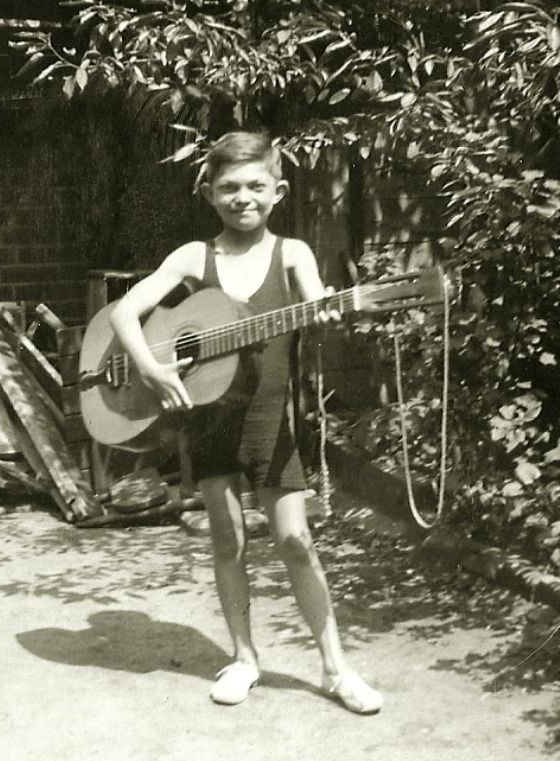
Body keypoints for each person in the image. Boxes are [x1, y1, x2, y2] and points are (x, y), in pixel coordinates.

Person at [109, 131, 383, 714]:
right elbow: (126, 313)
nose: (242, 197)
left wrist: (331, 309)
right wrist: (151, 371)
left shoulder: (292, 254)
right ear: (209, 193)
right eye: (228, 187)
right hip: (207, 416)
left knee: (295, 539)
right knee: (227, 537)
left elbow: (317, 312)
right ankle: (244, 658)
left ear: (278, 191)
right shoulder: (193, 258)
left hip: (269, 417)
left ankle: (336, 669)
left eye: (256, 186)